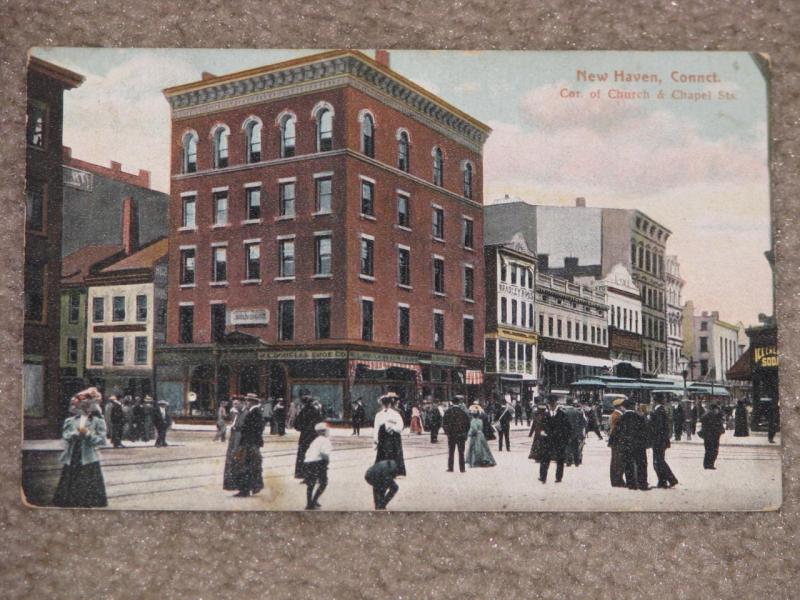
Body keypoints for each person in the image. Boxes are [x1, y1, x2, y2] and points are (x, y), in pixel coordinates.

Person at [52, 390, 108, 508]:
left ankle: (88, 502)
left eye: (88, 405)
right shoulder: (70, 420)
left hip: (89, 457)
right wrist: (73, 434)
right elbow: (65, 436)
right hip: (72, 455)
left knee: (87, 480)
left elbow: (102, 440)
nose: (85, 407)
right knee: (70, 479)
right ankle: (69, 500)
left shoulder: (98, 421)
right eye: (82, 405)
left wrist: (88, 434)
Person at [233, 394, 265, 497]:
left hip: (249, 443)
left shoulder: (255, 412)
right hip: (250, 442)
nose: (246, 402)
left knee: (245, 466)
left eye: (248, 401)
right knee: (250, 466)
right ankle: (250, 488)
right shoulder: (254, 412)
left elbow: (256, 429)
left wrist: (247, 439)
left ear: (252, 402)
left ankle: (246, 489)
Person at [617, 399, 651, 490]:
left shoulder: (621, 418)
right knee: (641, 464)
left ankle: (631, 483)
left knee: (628, 464)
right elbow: (645, 431)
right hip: (639, 445)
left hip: (626, 444)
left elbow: (618, 432)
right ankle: (642, 483)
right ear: (633, 407)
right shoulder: (639, 417)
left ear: (624, 407)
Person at [538, 396, 572, 483]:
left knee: (560, 459)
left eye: (553, 404)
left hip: (559, 440)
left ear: (556, 404)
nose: (552, 405)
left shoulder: (562, 414)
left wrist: (565, 438)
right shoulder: (545, 415)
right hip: (548, 439)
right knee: (545, 459)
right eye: (550, 404)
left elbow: (568, 428)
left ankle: (558, 477)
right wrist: (542, 432)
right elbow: (541, 426)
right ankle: (543, 477)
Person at [373, 393, 406, 476]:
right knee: (383, 453)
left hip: (393, 437)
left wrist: (393, 428)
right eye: (384, 404)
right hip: (383, 436)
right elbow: (376, 427)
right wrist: (375, 438)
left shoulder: (395, 414)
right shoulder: (379, 414)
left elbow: (400, 425)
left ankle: (394, 471)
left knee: (393, 453)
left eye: (387, 403)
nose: (386, 406)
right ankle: (383, 471)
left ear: (390, 404)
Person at [650, 397, 679, 488]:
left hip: (659, 440)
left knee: (658, 461)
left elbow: (658, 427)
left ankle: (669, 479)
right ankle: (663, 481)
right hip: (661, 440)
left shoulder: (659, 411)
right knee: (659, 461)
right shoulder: (660, 410)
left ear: (655, 401)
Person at [303, 422, 332, 509]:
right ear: (323, 432)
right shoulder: (325, 441)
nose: (328, 432)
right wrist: (327, 462)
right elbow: (324, 454)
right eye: (327, 430)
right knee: (323, 482)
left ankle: (309, 503)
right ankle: (314, 500)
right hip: (318, 463)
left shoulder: (315, 440)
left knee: (310, 484)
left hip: (308, 462)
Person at [294, 393, 323, 478]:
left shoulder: (303, 412)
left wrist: (303, 428)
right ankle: (314, 473)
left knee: (303, 455)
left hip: (305, 437)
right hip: (314, 437)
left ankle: (304, 473)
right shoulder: (316, 412)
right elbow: (320, 423)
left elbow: (296, 425)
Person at [442, 395, 470, 473]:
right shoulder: (463, 412)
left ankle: (450, 468)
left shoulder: (448, 411)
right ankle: (462, 468)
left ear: (452, 402)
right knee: (461, 453)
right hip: (461, 435)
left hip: (452, 435)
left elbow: (444, 423)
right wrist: (465, 433)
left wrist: (447, 432)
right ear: (459, 402)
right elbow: (468, 424)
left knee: (451, 452)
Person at [223, 397, 246, 491]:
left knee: (236, 458)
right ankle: (233, 484)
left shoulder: (244, 413)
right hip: (234, 438)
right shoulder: (236, 413)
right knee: (232, 459)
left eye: (236, 404)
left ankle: (238, 485)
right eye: (233, 404)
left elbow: (242, 427)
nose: (234, 406)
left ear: (242, 403)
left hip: (238, 438)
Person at [606, 398, 626, 487]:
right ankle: (617, 480)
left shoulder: (615, 414)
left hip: (614, 440)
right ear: (620, 406)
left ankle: (617, 480)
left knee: (616, 461)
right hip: (617, 440)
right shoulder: (617, 415)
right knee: (617, 461)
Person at [562, 397, 587, 466]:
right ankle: (576, 460)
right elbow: (584, 423)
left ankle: (568, 459)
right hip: (576, 432)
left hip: (565, 432)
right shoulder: (578, 411)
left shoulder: (562, 411)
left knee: (567, 445)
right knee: (575, 446)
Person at [699, 403, 725, 469]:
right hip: (712, 435)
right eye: (717, 409)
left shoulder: (707, 415)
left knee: (709, 450)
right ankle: (709, 464)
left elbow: (702, 421)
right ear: (714, 409)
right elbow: (718, 425)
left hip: (710, 435)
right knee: (713, 450)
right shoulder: (712, 415)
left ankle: (707, 464)